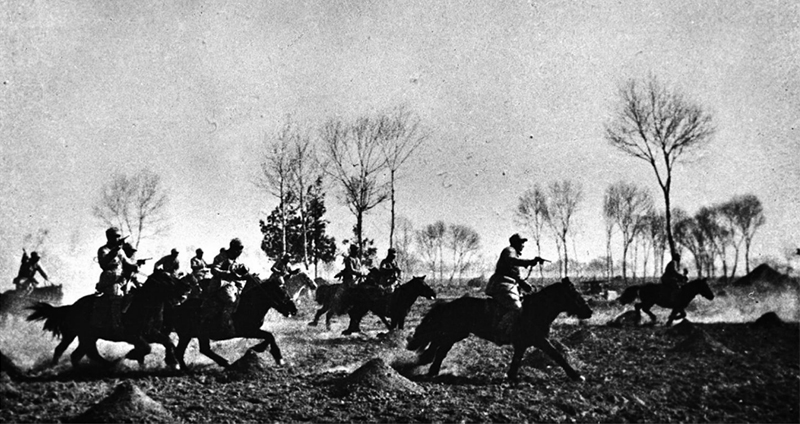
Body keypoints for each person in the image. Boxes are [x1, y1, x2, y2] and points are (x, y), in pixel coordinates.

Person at [485, 234, 545, 337]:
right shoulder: (509, 250)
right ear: (515, 243)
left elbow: (516, 276)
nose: (523, 245)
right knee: (516, 308)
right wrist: (530, 262)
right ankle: (499, 332)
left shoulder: (514, 254)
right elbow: (512, 260)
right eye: (521, 243)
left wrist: (528, 286)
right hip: (501, 285)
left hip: (509, 286)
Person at [204, 238, 249, 334]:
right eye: (238, 249)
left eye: (241, 250)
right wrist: (226, 273)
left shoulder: (236, 259)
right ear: (233, 248)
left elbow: (238, 272)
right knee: (231, 300)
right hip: (220, 284)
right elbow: (214, 269)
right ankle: (224, 326)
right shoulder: (221, 257)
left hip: (233, 285)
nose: (239, 252)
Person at [96, 227, 133, 332]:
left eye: (119, 237)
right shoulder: (103, 250)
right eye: (116, 237)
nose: (118, 239)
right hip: (109, 279)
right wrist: (114, 251)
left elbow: (127, 262)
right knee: (117, 297)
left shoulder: (120, 250)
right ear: (109, 237)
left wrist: (135, 266)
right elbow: (103, 264)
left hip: (121, 279)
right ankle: (116, 324)